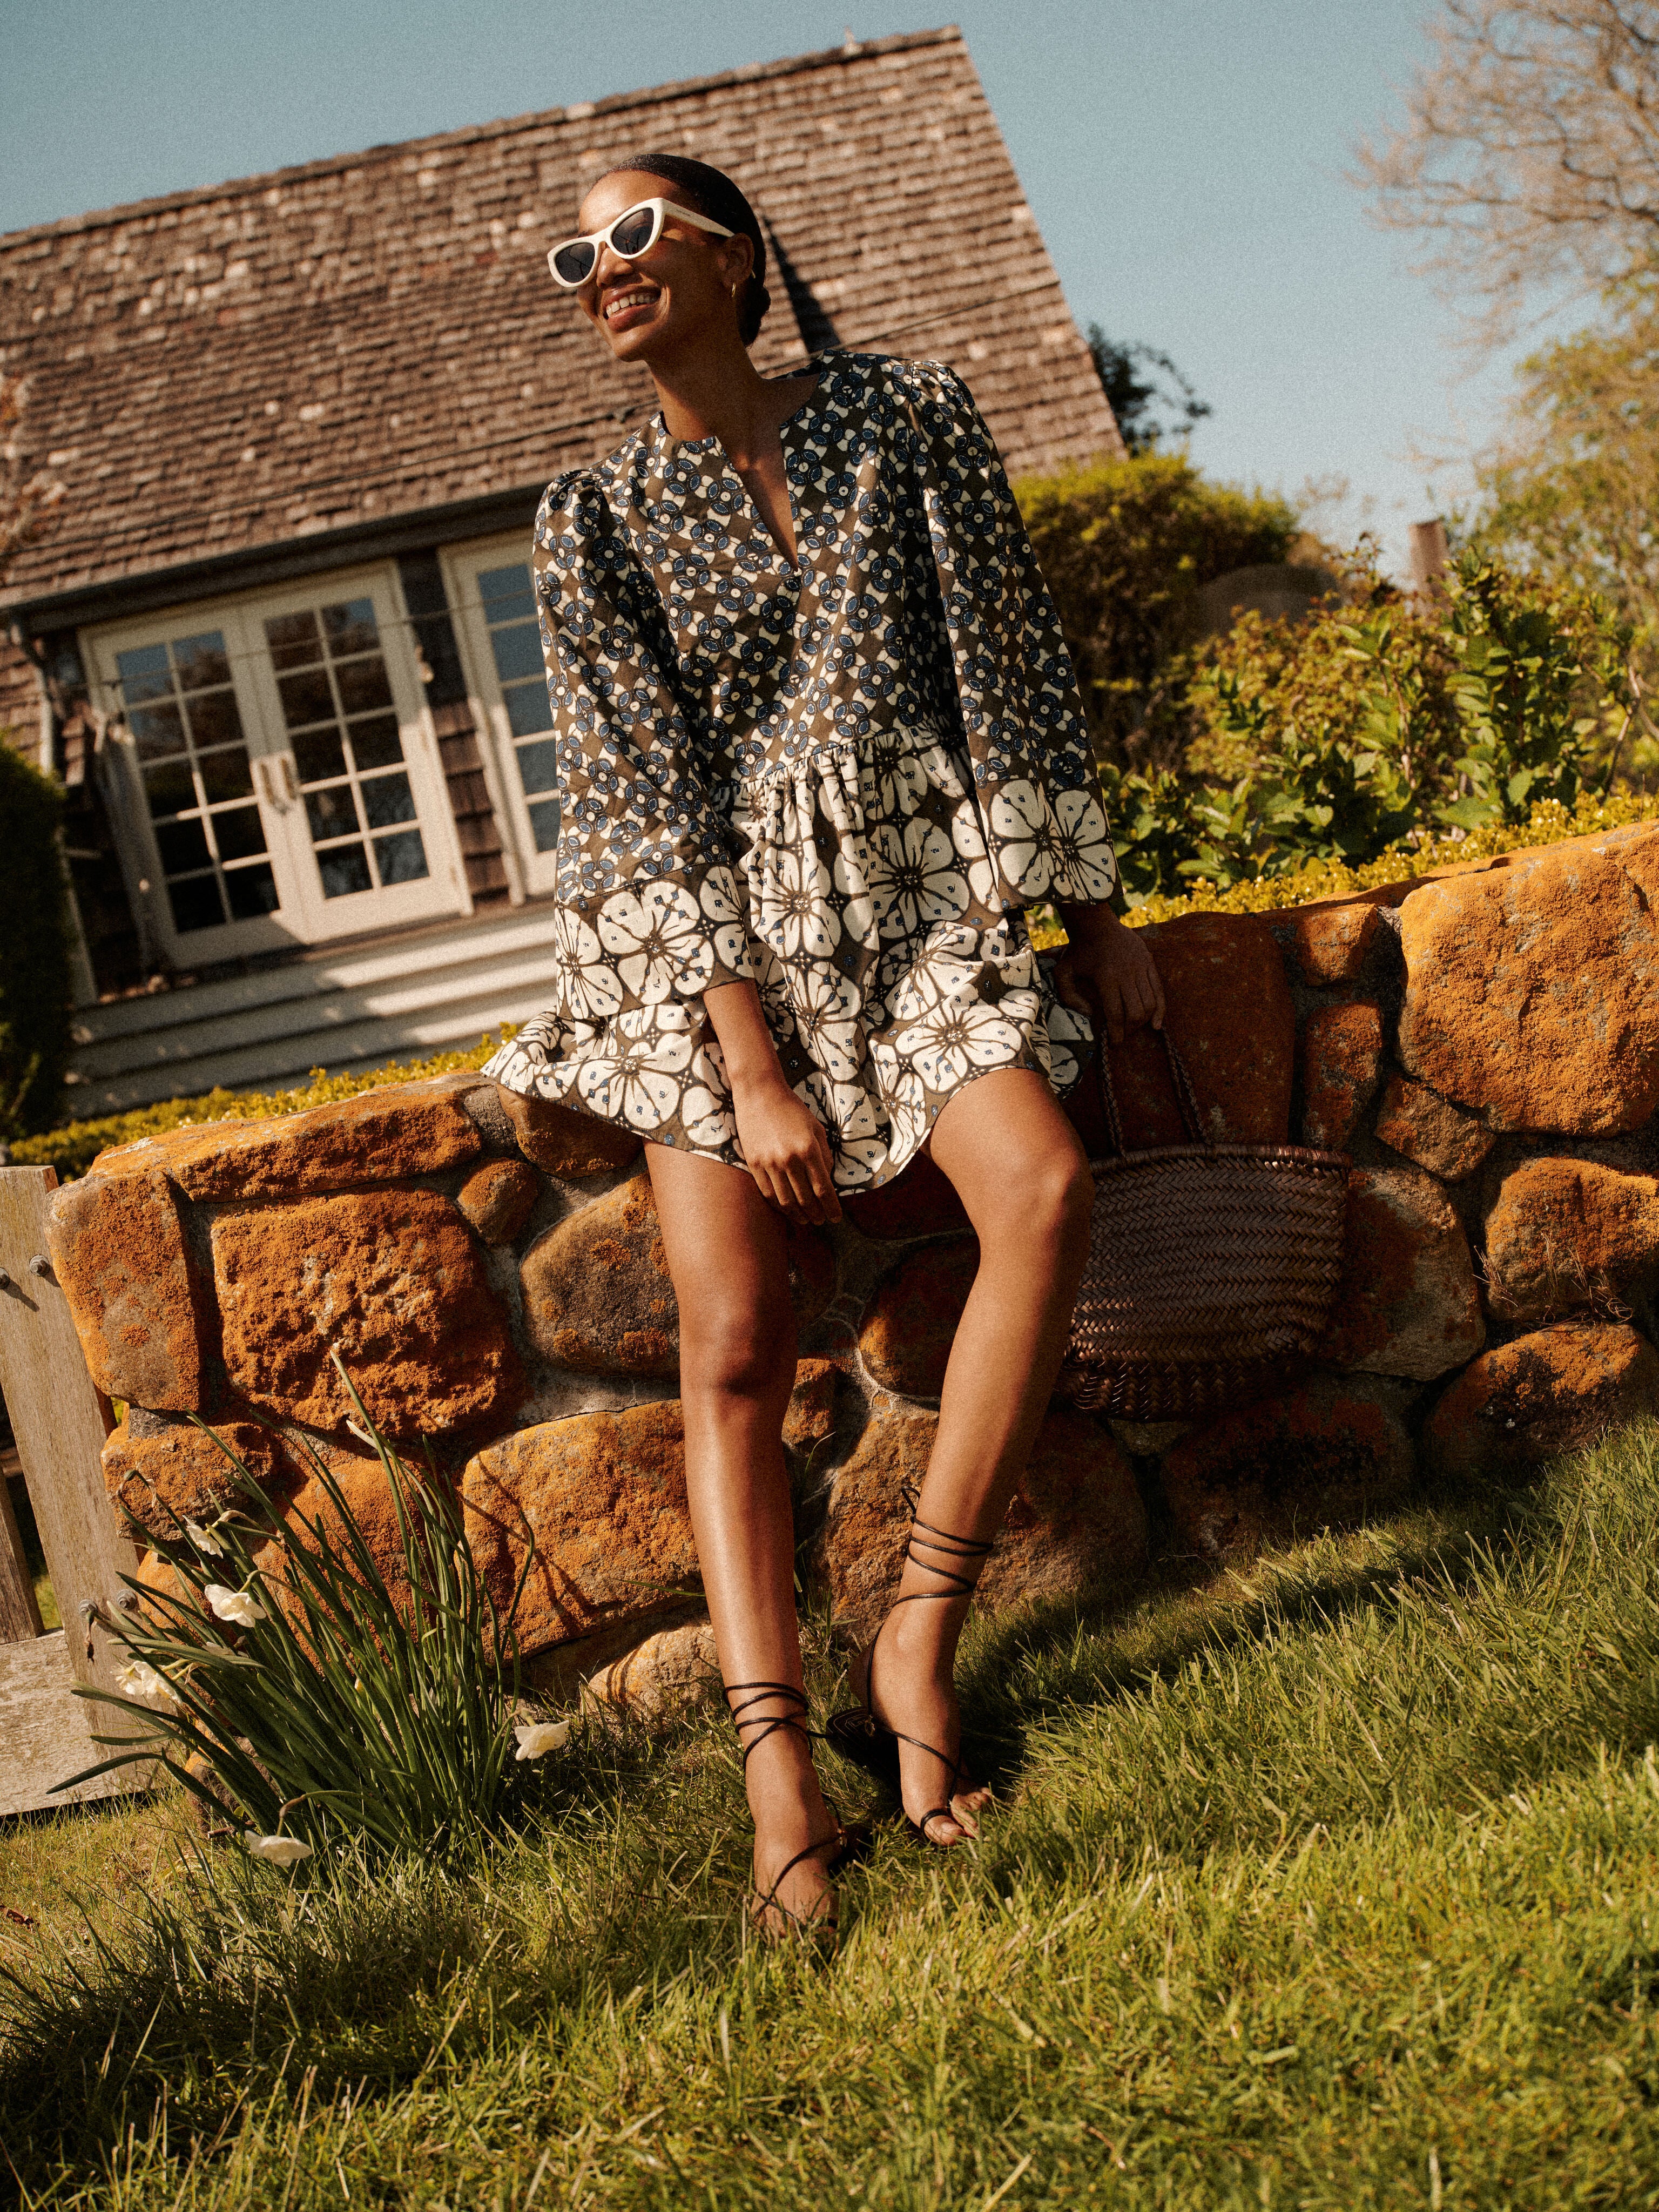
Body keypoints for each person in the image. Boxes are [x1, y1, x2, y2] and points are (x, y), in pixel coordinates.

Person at [485, 153, 1164, 1944]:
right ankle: (779, 1778)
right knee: (730, 1343)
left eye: (637, 231)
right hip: (708, 956)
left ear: (737, 256)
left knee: (1043, 1189)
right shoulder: (591, 520)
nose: (603, 266)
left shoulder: (906, 419)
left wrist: (1096, 917)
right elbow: (642, 803)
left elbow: (1009, 670)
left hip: (918, 901)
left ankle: (917, 1639)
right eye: (577, 253)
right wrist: (754, 1068)